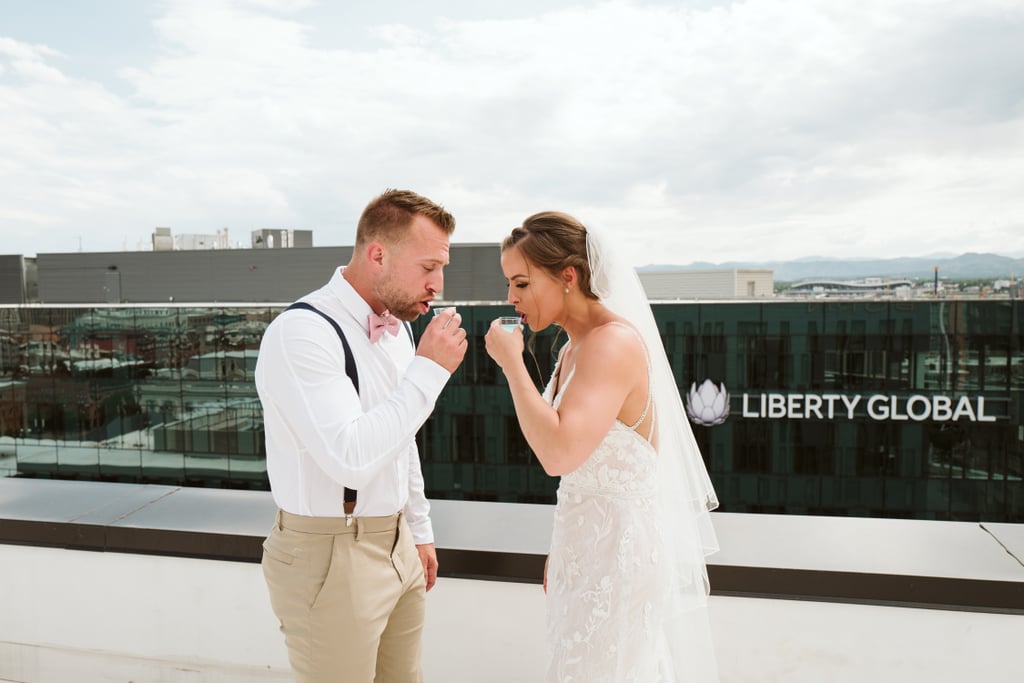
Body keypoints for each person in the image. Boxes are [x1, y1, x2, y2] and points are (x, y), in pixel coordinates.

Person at [484, 211, 720, 682]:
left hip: (620, 566)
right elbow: (579, 472)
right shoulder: (573, 347)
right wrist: (565, 551)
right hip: (584, 558)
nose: (511, 298)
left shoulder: (610, 344)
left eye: (521, 283)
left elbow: (557, 455)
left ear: (567, 276)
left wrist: (513, 365)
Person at [255, 189, 468, 683]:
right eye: (428, 267)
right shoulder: (301, 333)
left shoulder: (398, 330)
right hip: (330, 553)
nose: (437, 284)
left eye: (443, 269)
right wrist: (430, 371)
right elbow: (349, 457)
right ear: (378, 255)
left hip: (397, 544)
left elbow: (402, 437)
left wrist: (417, 528)